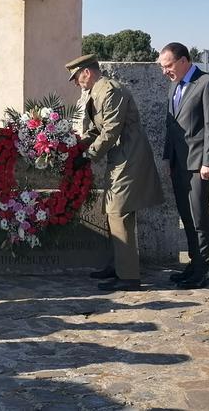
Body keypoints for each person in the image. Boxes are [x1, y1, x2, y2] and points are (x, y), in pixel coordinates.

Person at [67, 54, 164, 291]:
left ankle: (129, 276)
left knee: (119, 212)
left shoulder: (110, 91)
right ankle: (118, 265)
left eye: (76, 77)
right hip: (119, 158)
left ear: (87, 73)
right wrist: (74, 145)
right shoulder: (96, 93)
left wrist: (88, 156)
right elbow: (94, 130)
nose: (76, 82)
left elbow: (110, 131)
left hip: (129, 158)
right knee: (112, 211)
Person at [157, 42, 209, 289]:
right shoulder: (174, 85)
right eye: (163, 67)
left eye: (169, 65)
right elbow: (170, 125)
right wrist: (167, 157)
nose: (166, 71)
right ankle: (193, 263)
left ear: (184, 60)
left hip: (198, 163)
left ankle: (203, 268)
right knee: (186, 215)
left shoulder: (206, 84)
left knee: (199, 216)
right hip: (178, 163)